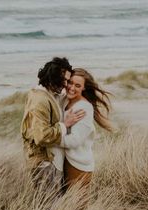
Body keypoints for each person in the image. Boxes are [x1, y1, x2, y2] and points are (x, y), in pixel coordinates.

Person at [21, 57, 85, 195]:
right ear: (53, 77)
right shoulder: (40, 100)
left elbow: (58, 103)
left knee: (56, 206)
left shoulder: (50, 94)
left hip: (52, 162)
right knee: (48, 208)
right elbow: (41, 136)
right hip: (43, 164)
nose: (66, 84)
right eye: (65, 80)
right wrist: (64, 125)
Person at [59, 68, 113, 193]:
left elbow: (74, 141)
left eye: (77, 85)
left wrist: (49, 137)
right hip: (66, 161)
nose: (72, 88)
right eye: (70, 82)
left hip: (78, 165)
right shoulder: (65, 100)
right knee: (66, 207)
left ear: (84, 88)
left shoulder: (84, 108)